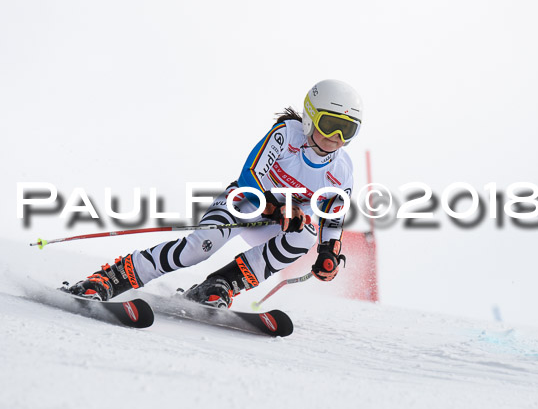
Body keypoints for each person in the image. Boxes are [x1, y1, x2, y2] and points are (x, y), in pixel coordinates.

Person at [65, 79, 363, 308]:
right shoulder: (287, 133)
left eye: (347, 131)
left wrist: (329, 252)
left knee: (306, 236)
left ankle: (221, 285)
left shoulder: (342, 170)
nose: (335, 138)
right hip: (245, 203)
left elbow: (333, 215)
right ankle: (109, 279)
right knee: (199, 247)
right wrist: (277, 205)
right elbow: (250, 176)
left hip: (278, 223)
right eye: (330, 125)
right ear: (310, 116)